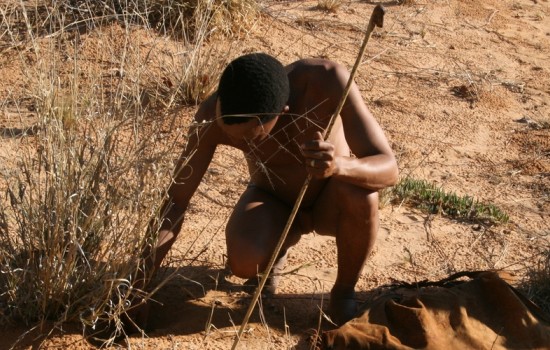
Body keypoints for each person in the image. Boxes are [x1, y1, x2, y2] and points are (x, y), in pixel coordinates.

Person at [139, 52, 398, 326]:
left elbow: (388, 168)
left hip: (329, 201)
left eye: (250, 136)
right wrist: (139, 284)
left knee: (362, 195)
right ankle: (276, 249)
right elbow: (176, 201)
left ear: (281, 113)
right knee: (243, 260)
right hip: (272, 199)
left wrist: (338, 166)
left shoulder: (327, 81)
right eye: (228, 132)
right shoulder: (210, 116)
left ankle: (344, 291)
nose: (232, 139)